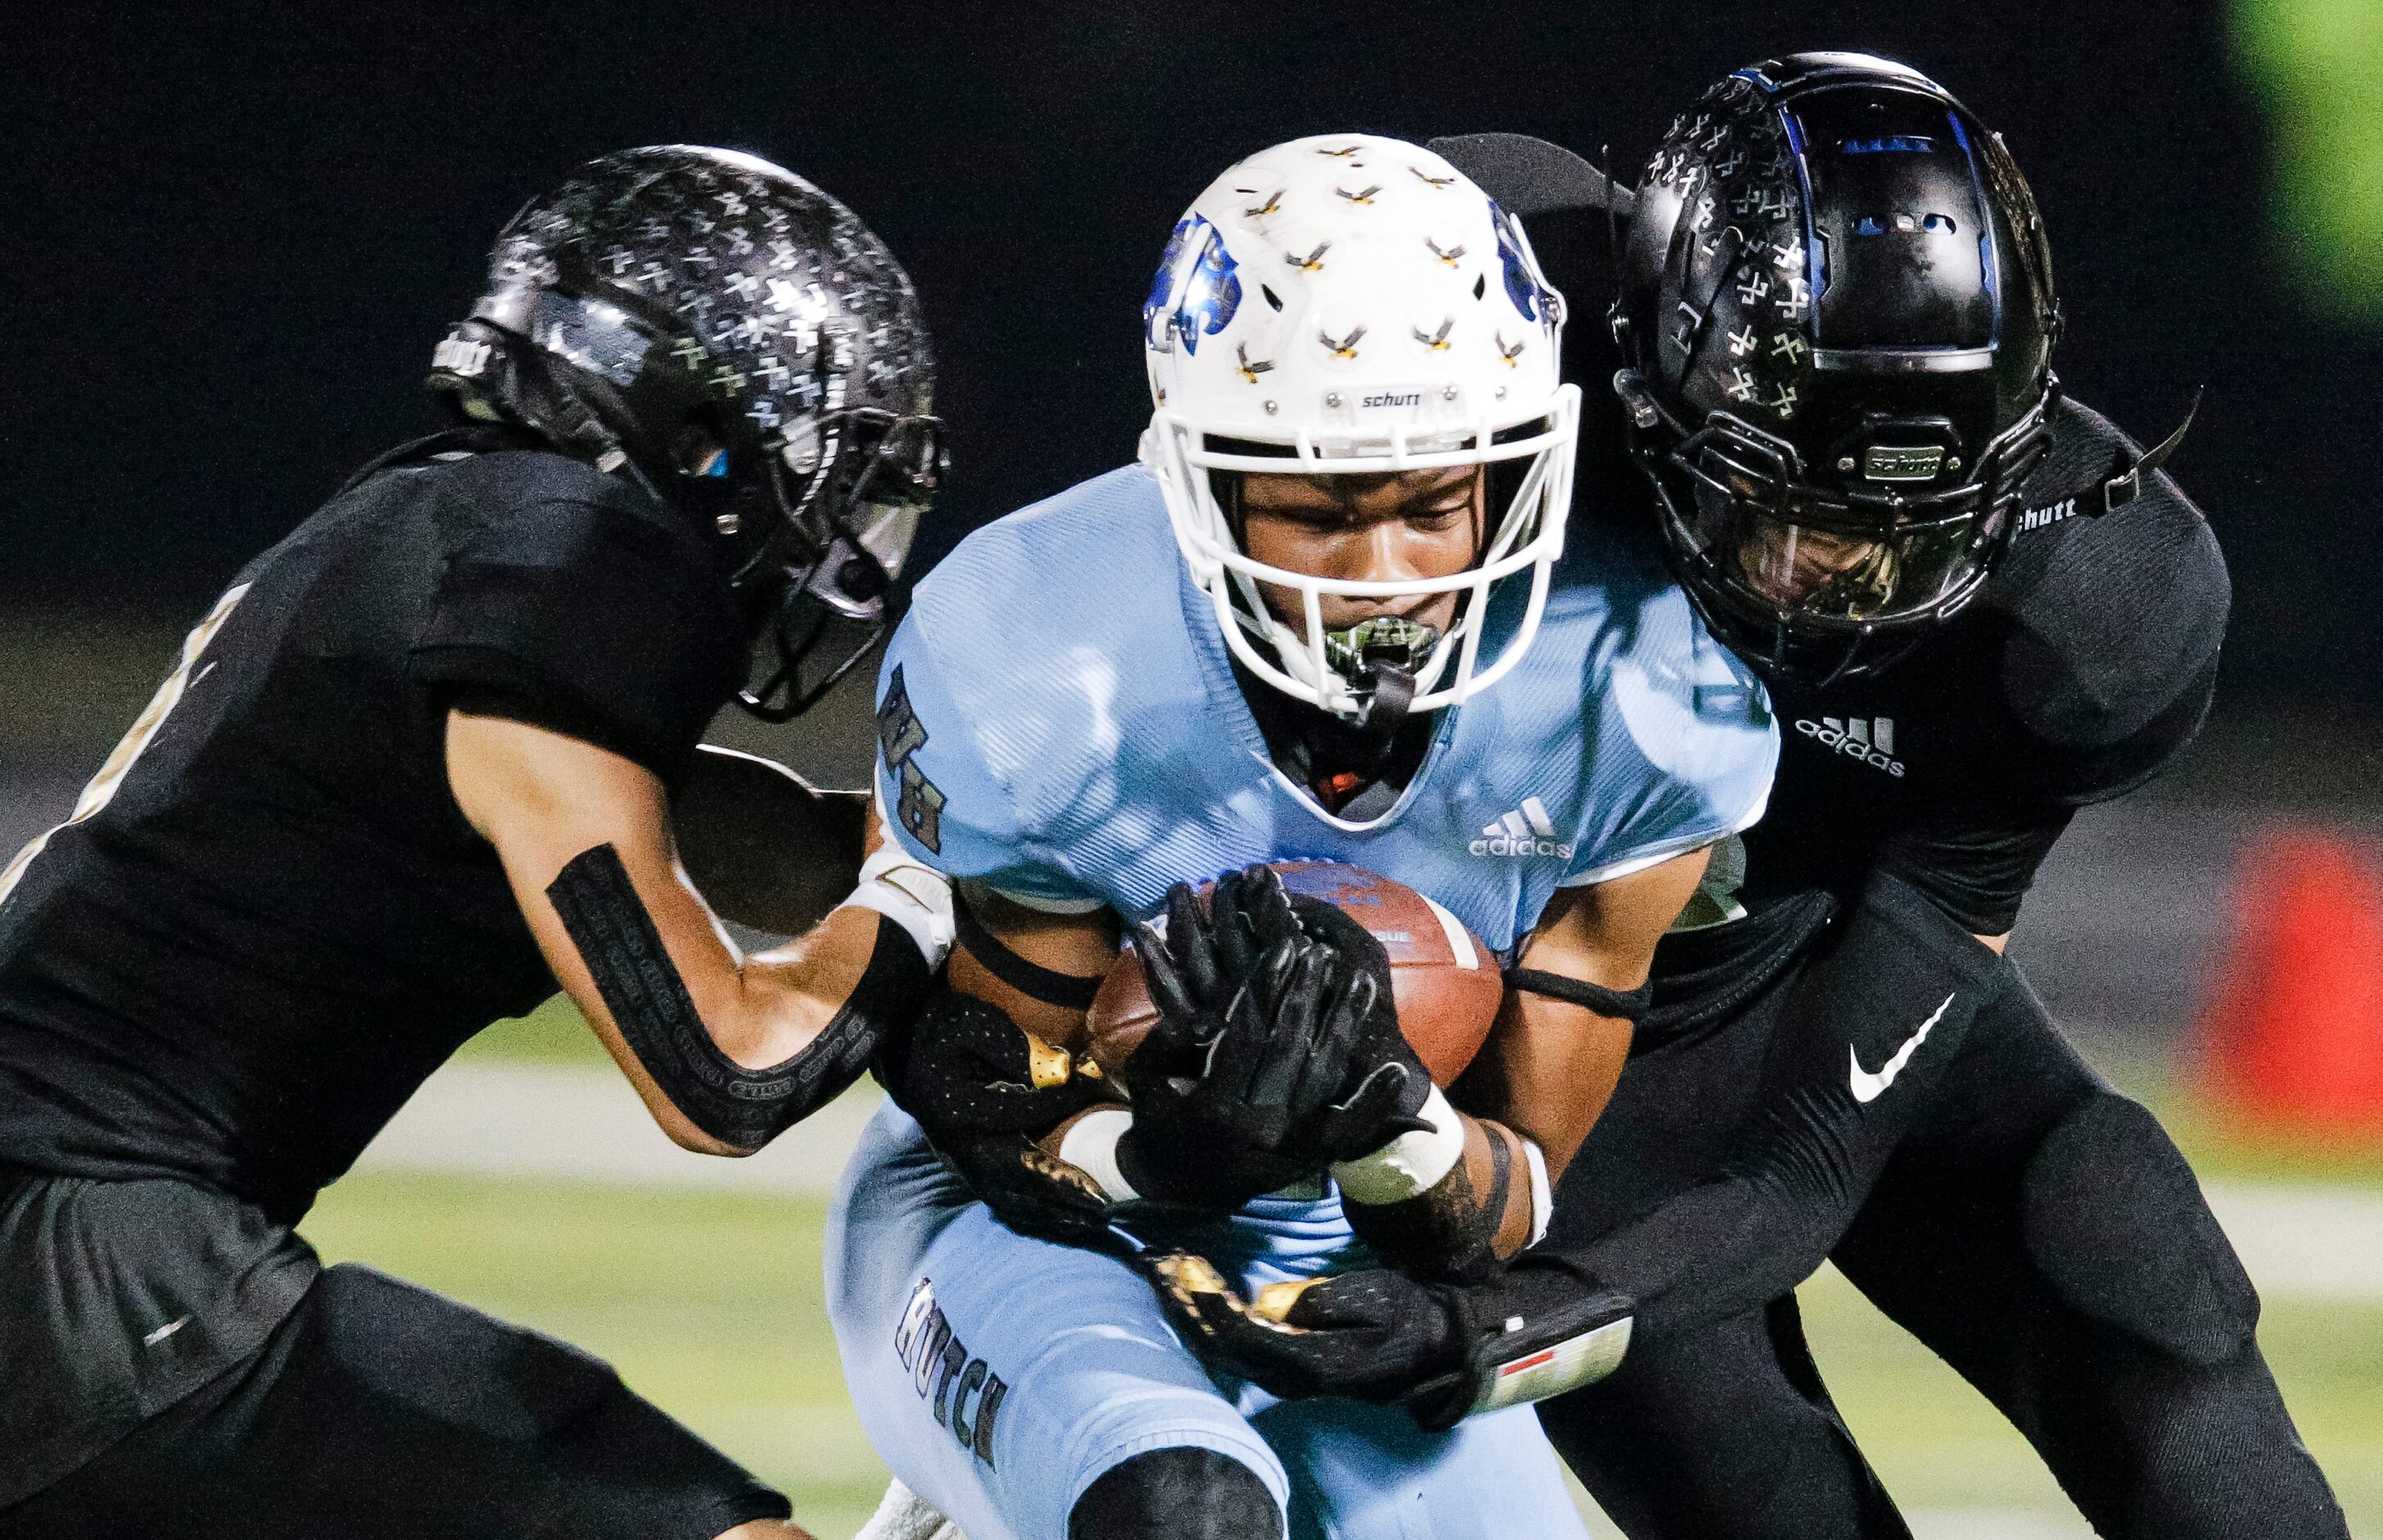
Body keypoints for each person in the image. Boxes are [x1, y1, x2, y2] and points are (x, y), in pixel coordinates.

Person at [1170, 55, 2351, 1540]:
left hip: (1809, 963)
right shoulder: (1470, 320)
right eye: (1779, 505)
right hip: (1542, 1059)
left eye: (1902, 533)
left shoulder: (2092, 623)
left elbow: (1808, 1158)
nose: (1836, 577)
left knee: (2140, 1296)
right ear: (1643, 374)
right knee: (1765, 1499)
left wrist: (1519, 1326)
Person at [827, 132, 1779, 1540]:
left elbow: (1513, 1188)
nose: (1385, 573)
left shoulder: (1637, 691)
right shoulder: (1044, 658)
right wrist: (1172, 1158)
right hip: (1019, 1225)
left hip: (1335, 1252)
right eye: (1325, 510)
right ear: (1199, 480)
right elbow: (983, 1092)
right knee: (1186, 1514)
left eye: (1432, 502)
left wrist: (1392, 1131)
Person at [0, 145, 958, 1540]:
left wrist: (978, 849)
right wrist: (924, 898)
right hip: (82, 1274)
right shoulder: (573, 552)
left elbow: (747, 836)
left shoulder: (455, 533)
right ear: (710, 419)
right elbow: (728, 1069)